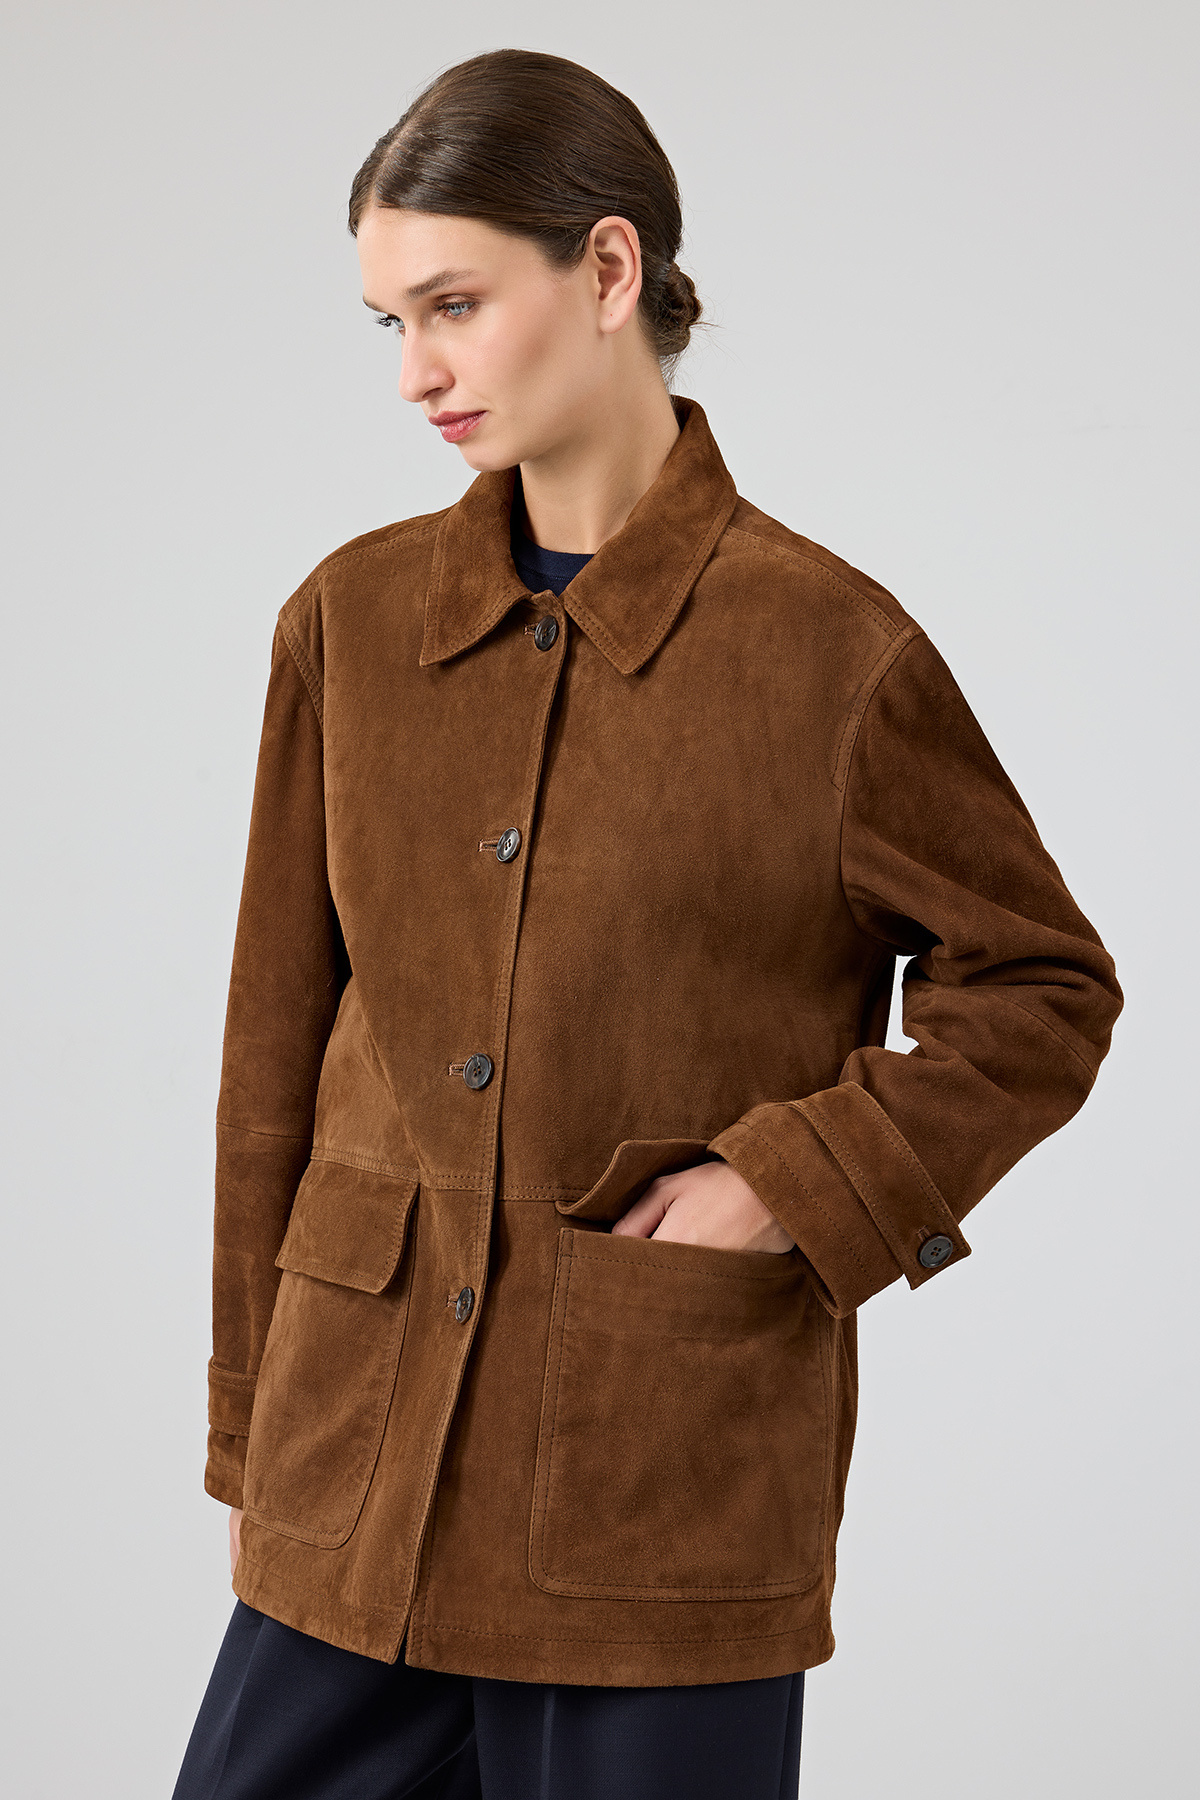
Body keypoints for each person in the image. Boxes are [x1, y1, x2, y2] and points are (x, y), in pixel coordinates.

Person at [171, 46, 1123, 1800]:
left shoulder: (829, 654)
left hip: (655, 1499)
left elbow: (1044, 987)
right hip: (354, 1466)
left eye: (454, 305)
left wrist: (793, 1183)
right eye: (389, 321)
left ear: (610, 270)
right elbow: (271, 1057)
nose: (415, 372)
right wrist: (252, 1431)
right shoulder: (349, 627)